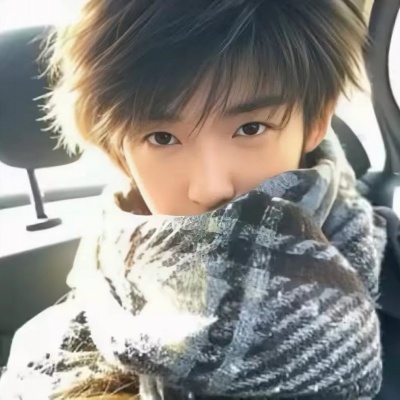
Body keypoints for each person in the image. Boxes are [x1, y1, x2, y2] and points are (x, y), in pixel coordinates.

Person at [0, 0, 388, 398]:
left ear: (316, 122)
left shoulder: (391, 268)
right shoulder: (56, 352)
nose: (210, 187)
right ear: (120, 155)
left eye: (251, 128)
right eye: (162, 138)